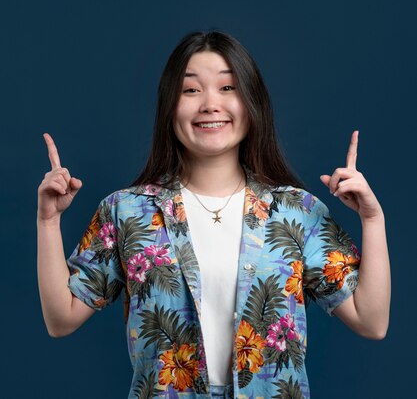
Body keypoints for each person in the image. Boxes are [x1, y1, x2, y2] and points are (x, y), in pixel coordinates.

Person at [37, 30, 390, 399]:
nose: (209, 104)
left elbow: (371, 321)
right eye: (191, 90)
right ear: (169, 106)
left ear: (252, 103)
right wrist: (48, 222)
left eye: (227, 88)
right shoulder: (126, 211)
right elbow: (61, 319)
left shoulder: (296, 212)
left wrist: (373, 220)